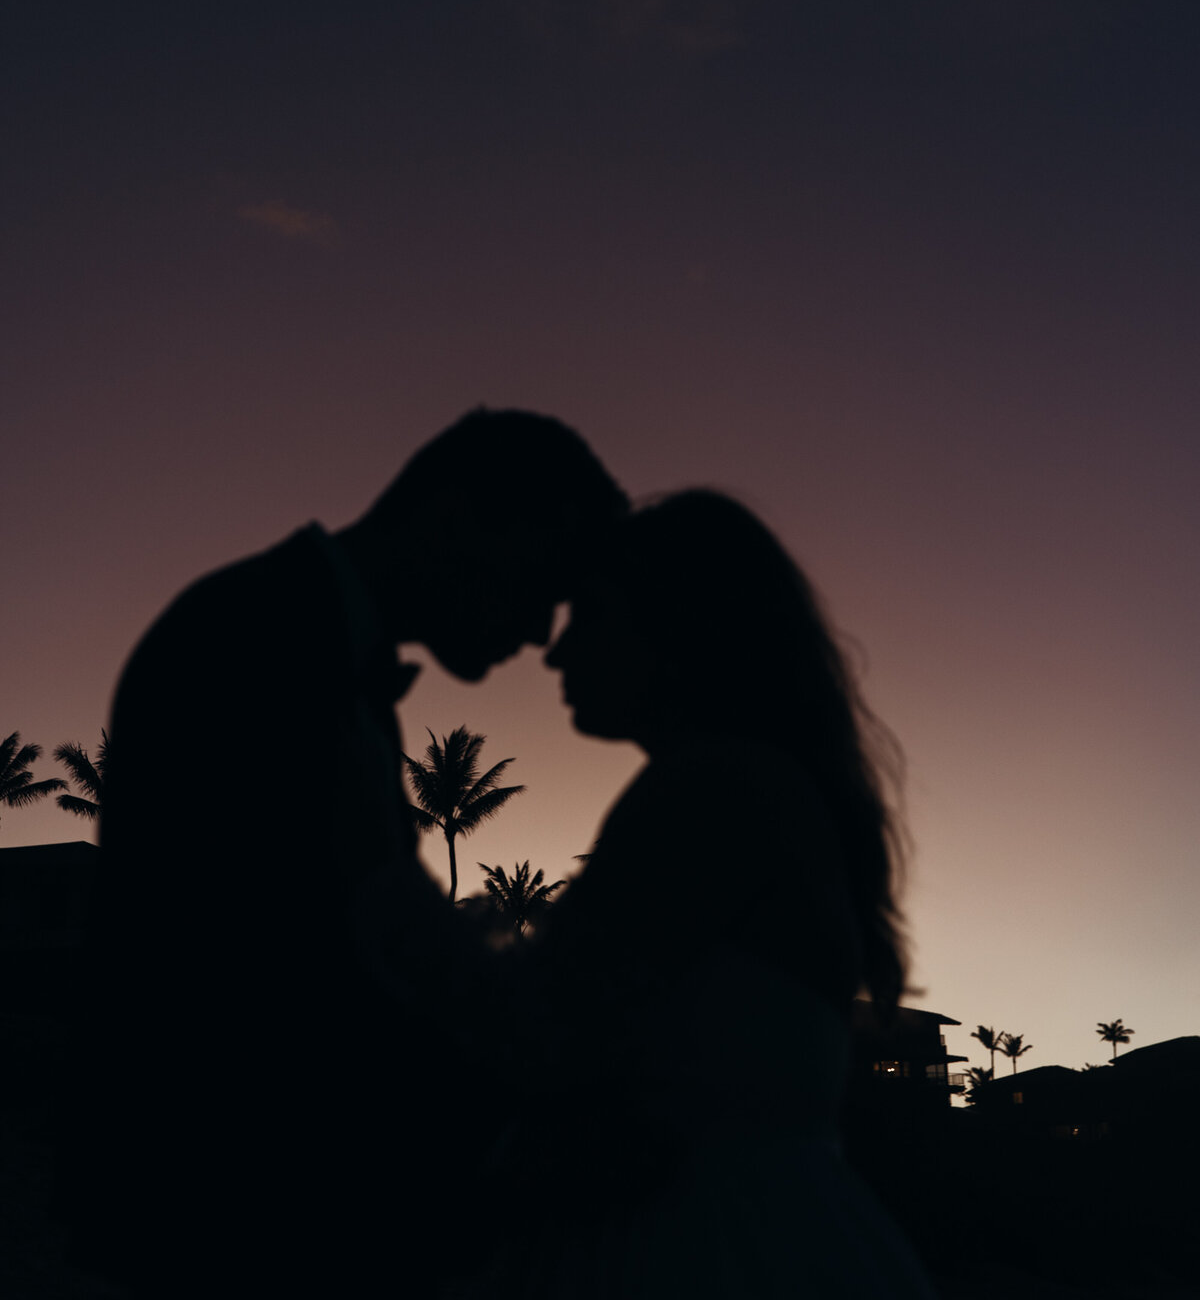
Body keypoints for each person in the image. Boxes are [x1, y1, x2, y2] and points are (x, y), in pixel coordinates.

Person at [73, 408, 627, 1300]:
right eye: (538, 584)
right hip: (231, 1214)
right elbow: (271, 964)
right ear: (456, 517)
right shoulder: (258, 636)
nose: (537, 632)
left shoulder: (309, 641)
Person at [491, 488, 935, 1299]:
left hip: (702, 1252)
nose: (553, 655)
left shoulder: (712, 787)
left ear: (678, 625)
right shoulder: (764, 788)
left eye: (590, 615)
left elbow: (537, 1031)